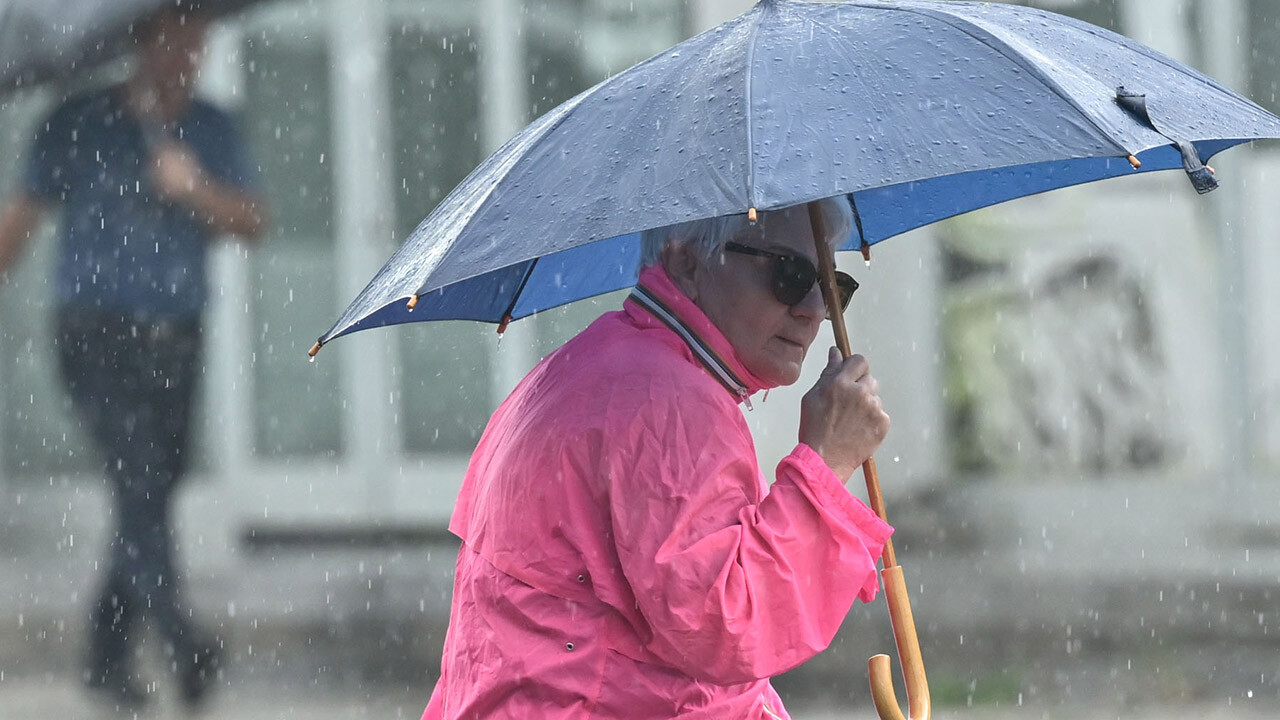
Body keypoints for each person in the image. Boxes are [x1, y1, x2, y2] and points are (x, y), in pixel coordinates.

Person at [422, 197, 893, 720]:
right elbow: (729, 625)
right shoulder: (666, 400)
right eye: (789, 274)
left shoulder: (598, 364)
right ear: (686, 259)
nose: (813, 309)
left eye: (830, 284)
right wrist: (825, 465)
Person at [0, 5, 264, 711]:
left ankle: (103, 657)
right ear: (138, 42)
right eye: (172, 35)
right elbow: (15, 227)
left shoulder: (210, 126)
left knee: (146, 491)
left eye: (196, 36)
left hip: (179, 335)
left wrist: (193, 186)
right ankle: (183, 641)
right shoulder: (78, 121)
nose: (186, 50)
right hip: (95, 336)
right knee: (140, 481)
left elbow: (252, 221)